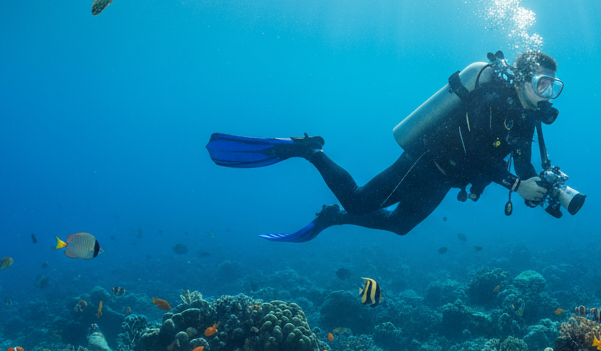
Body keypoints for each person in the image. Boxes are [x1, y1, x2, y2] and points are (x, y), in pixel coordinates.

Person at [207, 50, 569, 241]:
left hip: (447, 179)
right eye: (541, 84)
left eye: (553, 87)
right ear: (522, 79)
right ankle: (311, 151)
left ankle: (335, 219)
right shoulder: (490, 100)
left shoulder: (526, 117)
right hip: (427, 160)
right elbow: (475, 154)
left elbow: (520, 162)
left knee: (400, 227)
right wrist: (517, 186)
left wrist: (541, 182)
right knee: (359, 200)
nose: (547, 93)